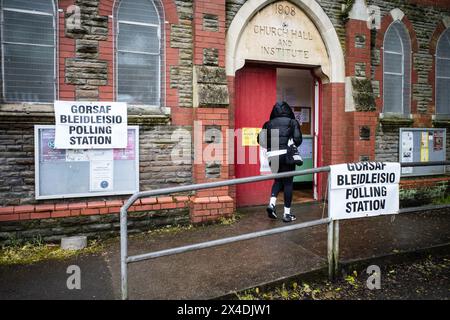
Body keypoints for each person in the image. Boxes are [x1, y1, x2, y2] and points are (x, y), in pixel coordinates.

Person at [257, 101, 302, 222]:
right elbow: (297, 140)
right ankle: (287, 214)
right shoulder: (292, 122)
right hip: (287, 155)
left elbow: (261, 141)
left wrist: (272, 145)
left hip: (273, 156)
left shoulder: (268, 124)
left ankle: (271, 204)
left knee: (277, 180)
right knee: (288, 183)